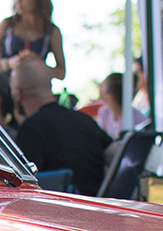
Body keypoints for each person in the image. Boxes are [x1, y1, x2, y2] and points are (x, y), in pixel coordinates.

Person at [11, 56, 110, 195]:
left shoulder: (30, 129)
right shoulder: (84, 119)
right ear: (50, 87)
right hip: (98, 206)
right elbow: (115, 154)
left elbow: (23, 186)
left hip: (56, 211)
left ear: (18, 93)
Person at [80, 71, 143, 139]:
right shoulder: (104, 112)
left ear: (110, 98)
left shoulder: (137, 120)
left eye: (102, 86)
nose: (99, 87)